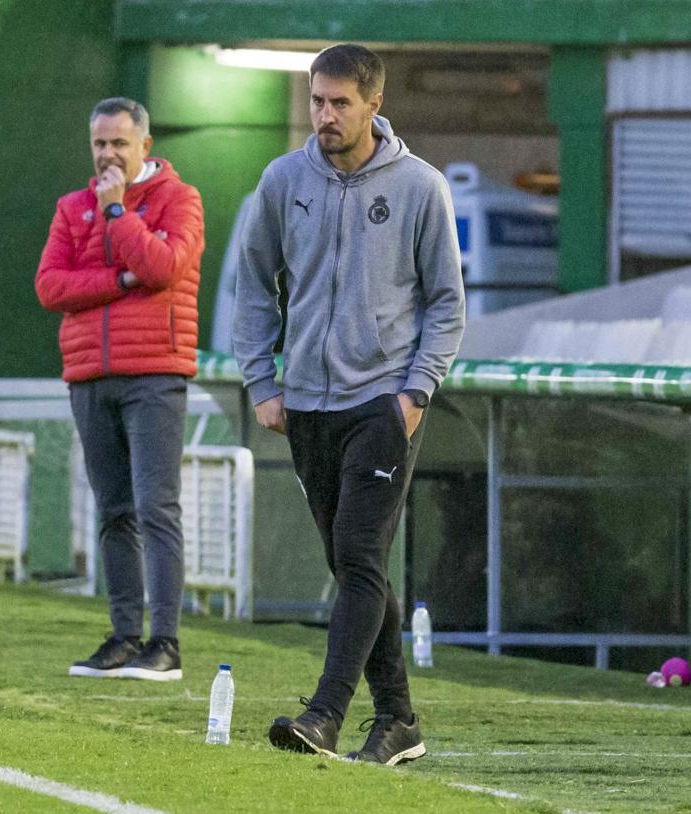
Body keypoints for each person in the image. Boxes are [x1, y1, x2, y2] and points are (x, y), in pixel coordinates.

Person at [232, 44, 465, 765]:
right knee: (350, 564)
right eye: (316, 101)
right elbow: (250, 286)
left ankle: (325, 715)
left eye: (339, 103)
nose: (325, 116)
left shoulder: (422, 188)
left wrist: (414, 394)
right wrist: (263, 385)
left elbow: (447, 304)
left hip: (382, 404)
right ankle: (398, 719)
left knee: (360, 554)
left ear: (372, 105)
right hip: (306, 405)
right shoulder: (282, 181)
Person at [35, 97, 204, 681]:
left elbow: (163, 268)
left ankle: (167, 643)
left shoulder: (178, 200)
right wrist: (119, 280)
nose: (108, 155)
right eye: (100, 144)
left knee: (157, 507)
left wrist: (116, 214)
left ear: (144, 147)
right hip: (89, 375)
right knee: (113, 511)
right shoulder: (69, 207)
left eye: (119, 144)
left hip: (156, 370)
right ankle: (124, 636)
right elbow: (51, 286)